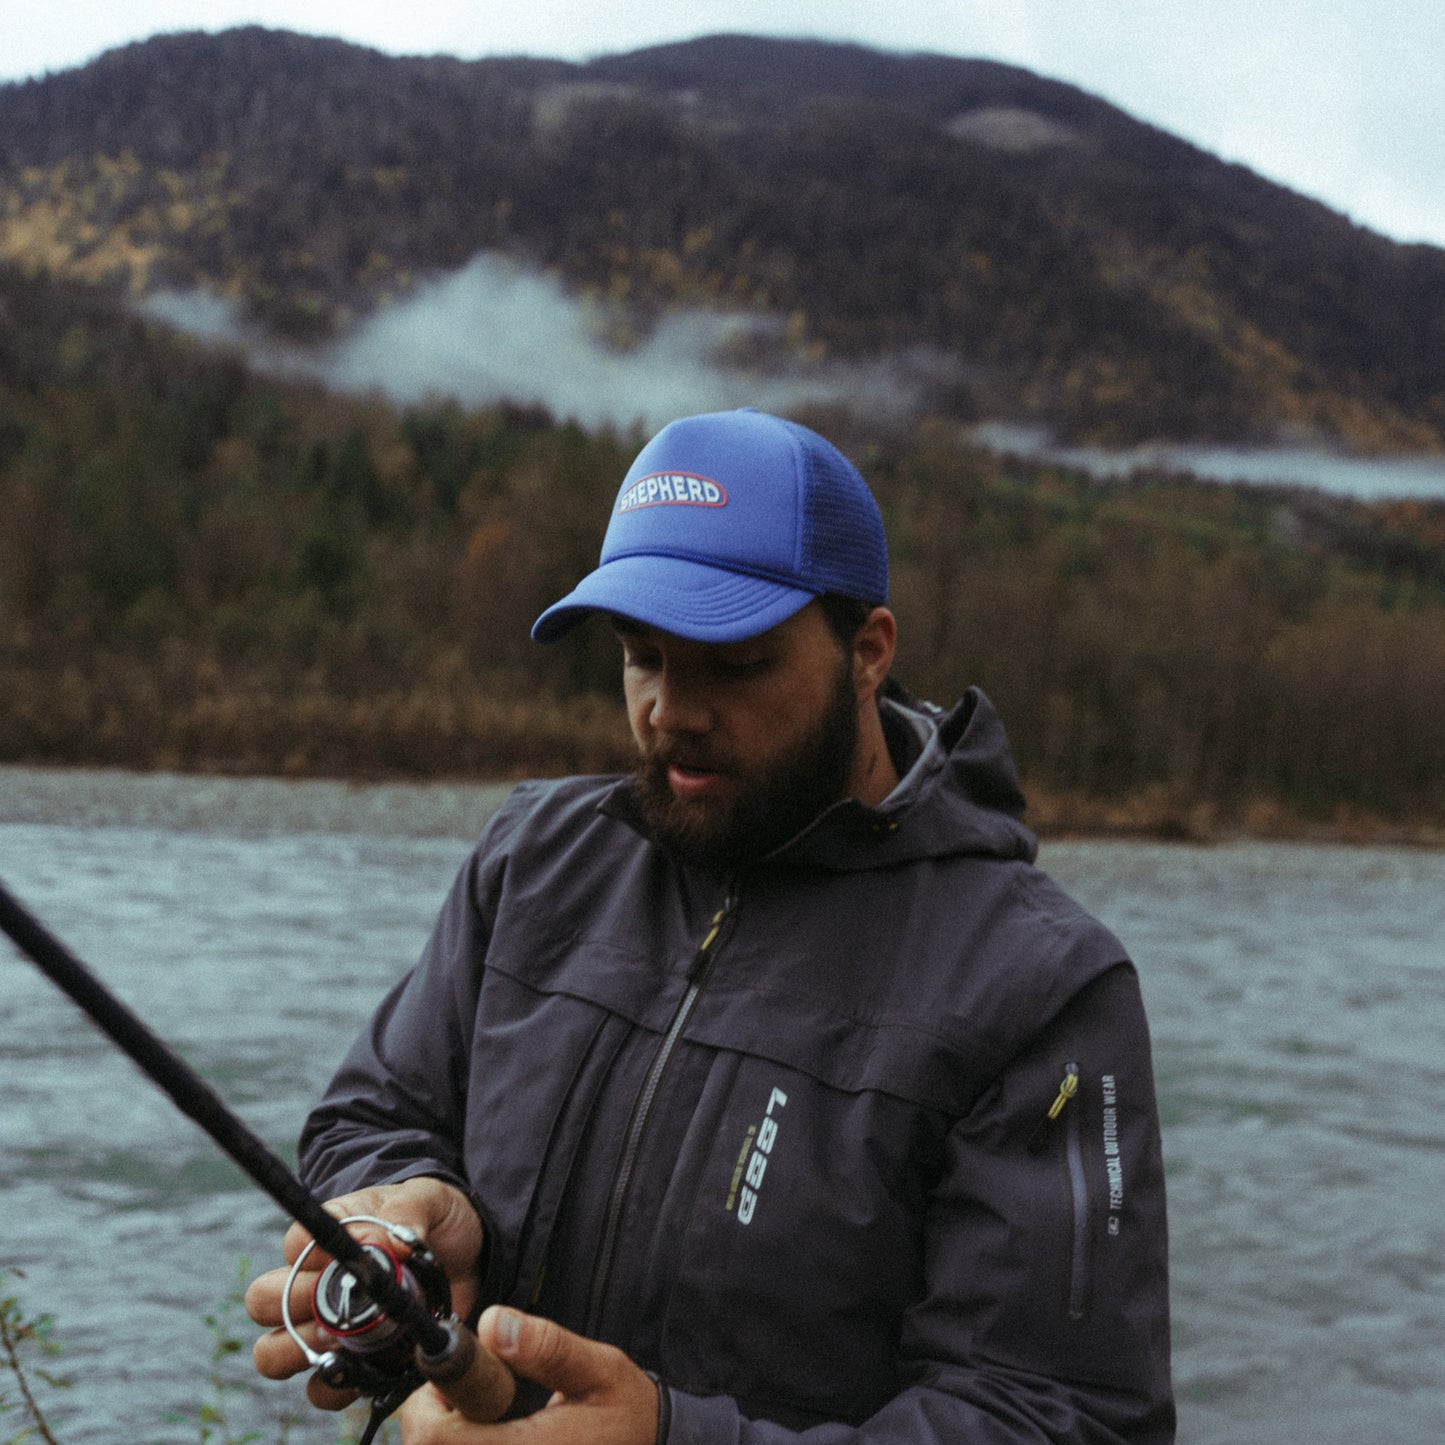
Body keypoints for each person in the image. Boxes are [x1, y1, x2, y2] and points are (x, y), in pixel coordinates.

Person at [246, 408, 1175, 1443]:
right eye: (642, 655)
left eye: (731, 664)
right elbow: (369, 1110)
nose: (670, 710)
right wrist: (407, 1208)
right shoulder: (531, 857)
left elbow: (1063, 1415)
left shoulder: (1039, 982)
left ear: (866, 650)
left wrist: (674, 1436)